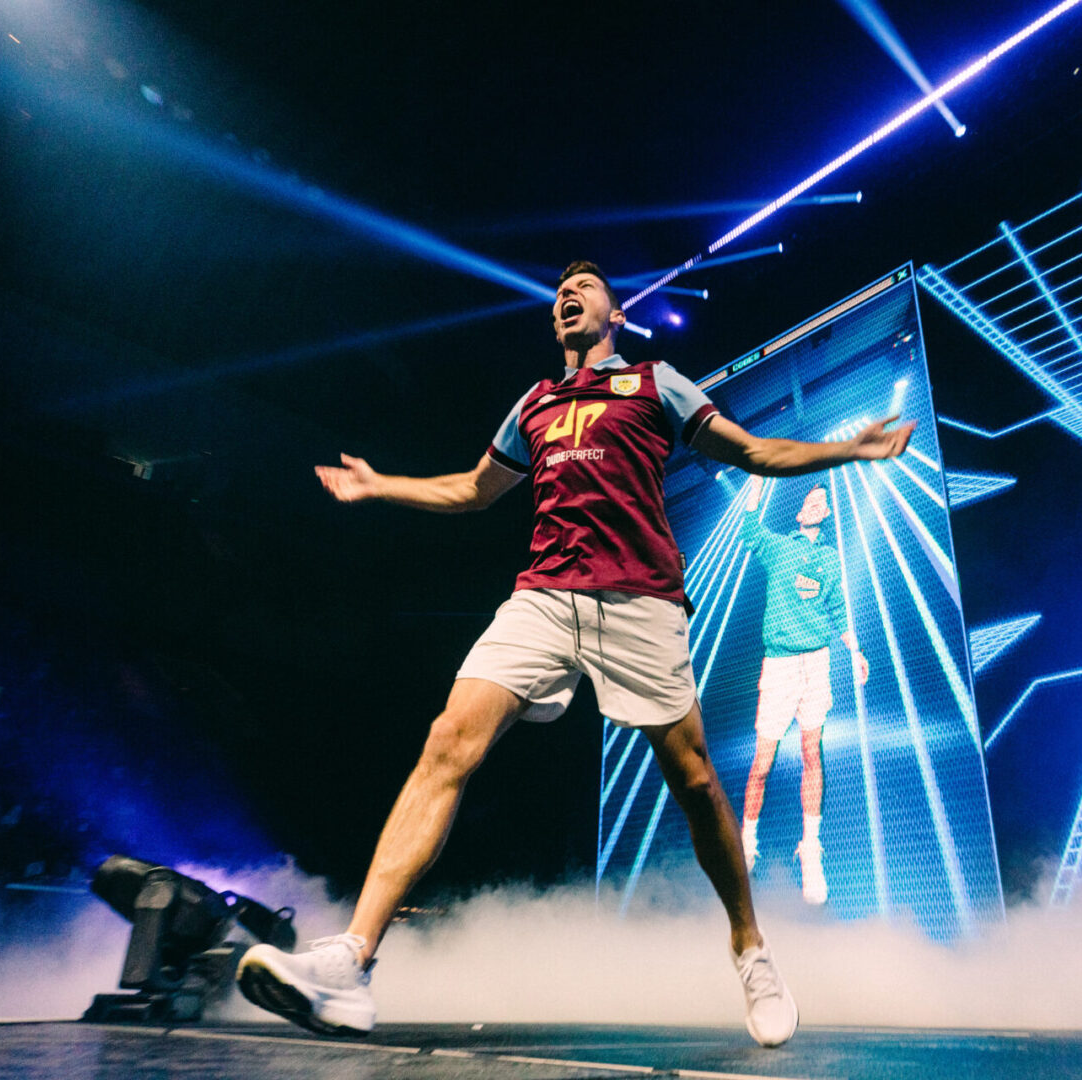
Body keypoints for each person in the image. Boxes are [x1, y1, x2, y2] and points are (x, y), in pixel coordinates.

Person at [236, 261, 914, 1047]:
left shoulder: (658, 383)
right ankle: (351, 964)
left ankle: (750, 950)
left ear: (615, 315)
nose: (567, 293)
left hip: (641, 598)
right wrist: (381, 484)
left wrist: (850, 453)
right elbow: (471, 490)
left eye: (584, 286)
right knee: (448, 740)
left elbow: (754, 452)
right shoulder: (534, 402)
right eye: (560, 288)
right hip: (544, 598)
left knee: (694, 781)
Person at [737, 474, 868, 905]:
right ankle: (747, 844)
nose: (816, 504)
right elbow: (749, 530)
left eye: (822, 502)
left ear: (827, 514)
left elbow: (837, 609)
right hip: (778, 664)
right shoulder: (779, 547)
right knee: (762, 764)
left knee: (813, 754)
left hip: (818, 662)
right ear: (799, 512)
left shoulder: (830, 559)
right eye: (810, 500)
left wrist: (856, 650)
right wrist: (755, 483)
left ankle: (810, 849)